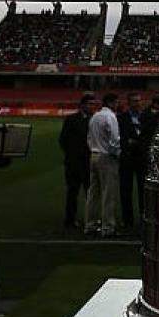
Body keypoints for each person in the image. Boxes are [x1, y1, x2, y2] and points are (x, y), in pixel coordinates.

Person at [85, 92, 121, 236]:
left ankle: (90, 224)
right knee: (108, 194)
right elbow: (114, 140)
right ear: (111, 103)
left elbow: (89, 138)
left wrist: (93, 149)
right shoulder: (110, 116)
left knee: (93, 193)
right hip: (106, 157)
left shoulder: (95, 116)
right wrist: (117, 154)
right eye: (116, 102)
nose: (118, 105)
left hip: (94, 155)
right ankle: (108, 227)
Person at [58, 92, 95, 229]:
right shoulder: (71, 119)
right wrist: (72, 155)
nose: (92, 106)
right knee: (72, 192)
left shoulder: (95, 119)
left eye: (93, 104)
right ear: (82, 105)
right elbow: (63, 139)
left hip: (89, 162)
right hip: (73, 163)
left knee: (90, 192)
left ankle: (90, 219)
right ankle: (70, 219)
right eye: (90, 104)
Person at [118, 92, 145, 228]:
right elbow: (117, 137)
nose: (137, 103)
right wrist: (126, 143)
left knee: (143, 191)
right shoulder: (121, 118)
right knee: (125, 190)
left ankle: (144, 218)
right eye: (134, 101)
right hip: (127, 158)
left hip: (142, 158)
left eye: (139, 101)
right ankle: (127, 220)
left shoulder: (146, 117)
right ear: (128, 103)